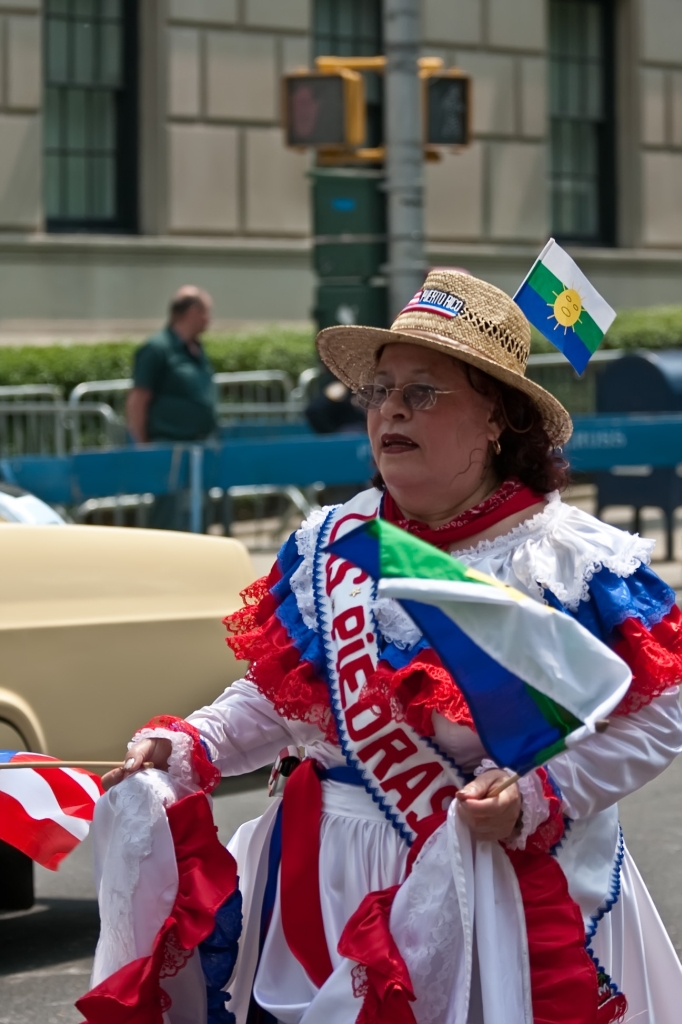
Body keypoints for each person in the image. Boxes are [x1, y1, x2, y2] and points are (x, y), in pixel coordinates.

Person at [83, 270, 682, 1024]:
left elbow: (661, 717)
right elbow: (280, 696)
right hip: (323, 887)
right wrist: (195, 744)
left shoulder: (570, 560)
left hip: (491, 893)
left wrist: (538, 794)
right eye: (382, 390)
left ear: (498, 418)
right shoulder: (330, 542)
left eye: (424, 392)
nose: (392, 408)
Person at [126, 285, 217, 529]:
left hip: (199, 445)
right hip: (169, 444)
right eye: (206, 312)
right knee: (168, 512)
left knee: (200, 512)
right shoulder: (157, 349)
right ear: (191, 312)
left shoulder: (196, 349)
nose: (209, 319)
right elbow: (138, 399)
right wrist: (143, 444)